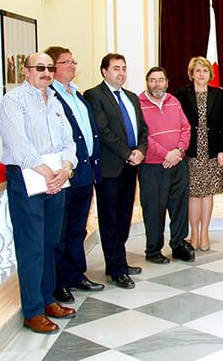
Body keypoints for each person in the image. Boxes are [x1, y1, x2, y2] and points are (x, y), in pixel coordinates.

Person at [0, 52, 78, 333]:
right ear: (26, 72)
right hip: (28, 180)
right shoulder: (13, 102)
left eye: (50, 68)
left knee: (50, 242)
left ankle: (47, 299)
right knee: (31, 247)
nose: (46, 72)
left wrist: (66, 168)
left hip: (56, 179)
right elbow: (18, 144)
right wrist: (47, 173)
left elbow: (69, 140)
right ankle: (32, 311)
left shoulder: (54, 101)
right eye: (39, 68)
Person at [45, 46, 104, 305]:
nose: (72, 65)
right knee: (60, 229)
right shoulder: (50, 97)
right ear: (53, 67)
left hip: (84, 170)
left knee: (78, 227)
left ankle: (76, 273)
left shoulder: (76, 94)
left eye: (73, 61)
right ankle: (59, 282)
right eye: (65, 62)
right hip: (64, 172)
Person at [84, 53, 148, 289]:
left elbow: (142, 128)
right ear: (104, 71)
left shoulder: (131, 97)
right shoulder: (94, 95)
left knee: (124, 216)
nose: (121, 73)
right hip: (111, 167)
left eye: (123, 68)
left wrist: (140, 149)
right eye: (115, 69)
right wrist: (128, 153)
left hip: (131, 166)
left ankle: (118, 261)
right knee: (110, 218)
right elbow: (103, 131)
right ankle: (117, 268)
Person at [138, 67, 194, 263]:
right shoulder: (138, 103)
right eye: (153, 80)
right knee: (154, 209)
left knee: (179, 206)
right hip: (153, 166)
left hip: (178, 163)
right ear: (147, 83)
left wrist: (178, 151)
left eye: (160, 80)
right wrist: (166, 154)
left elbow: (185, 129)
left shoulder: (174, 101)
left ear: (167, 82)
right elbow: (143, 136)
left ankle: (178, 245)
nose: (157, 84)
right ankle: (153, 250)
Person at [175, 57, 223, 251]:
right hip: (190, 150)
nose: (201, 74)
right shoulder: (182, 94)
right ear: (191, 74)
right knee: (192, 194)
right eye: (197, 71)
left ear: (210, 74)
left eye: (205, 71)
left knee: (207, 193)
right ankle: (194, 234)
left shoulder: (217, 95)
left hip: (211, 150)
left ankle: (205, 232)